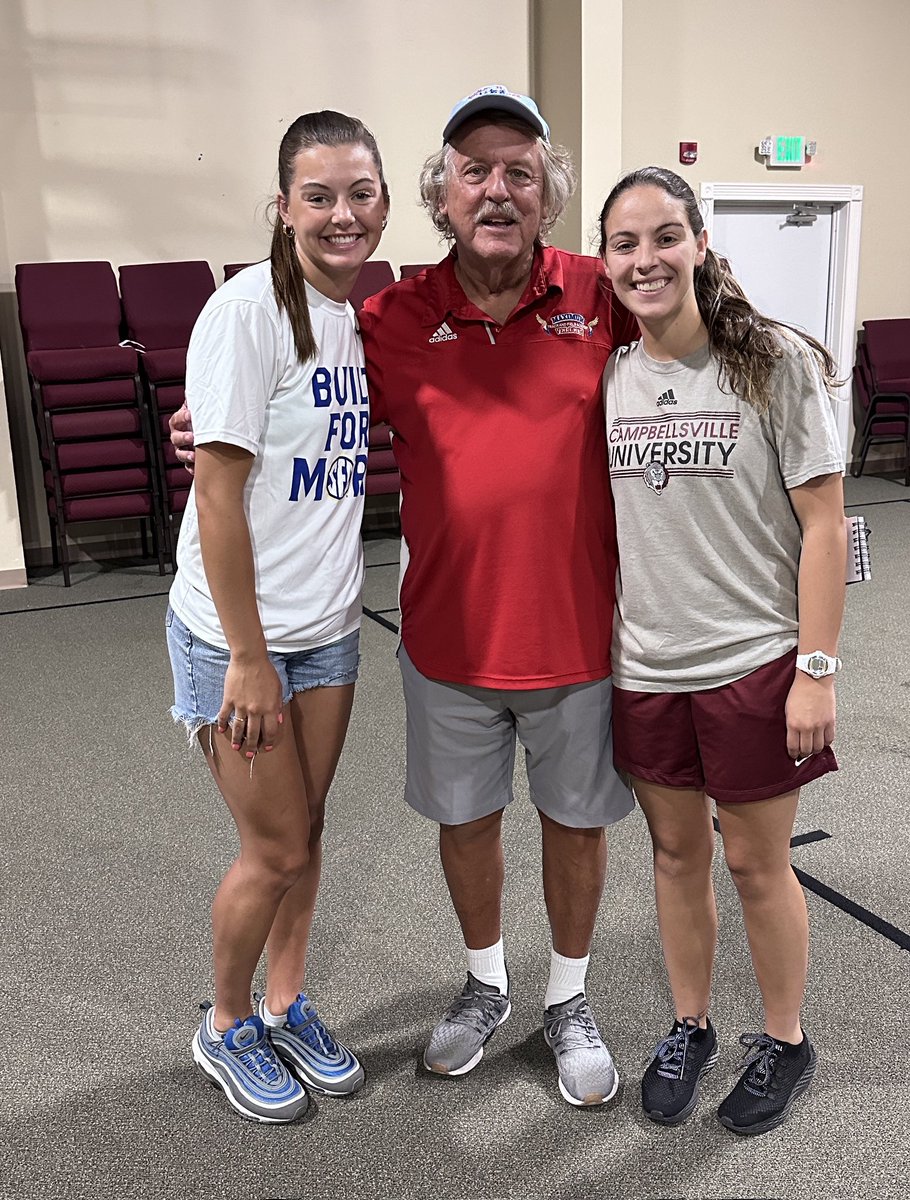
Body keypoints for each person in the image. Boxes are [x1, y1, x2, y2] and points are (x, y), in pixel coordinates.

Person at [172, 85, 636, 1108]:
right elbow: (244, 431)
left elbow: (702, 351)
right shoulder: (388, 314)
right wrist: (203, 429)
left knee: (566, 825)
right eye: (475, 170)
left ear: (549, 192)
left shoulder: (604, 295)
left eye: (520, 169)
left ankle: (565, 999)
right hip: (443, 642)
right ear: (439, 195)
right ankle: (477, 988)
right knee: (433, 829)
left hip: (568, 637)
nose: (497, 188)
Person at [598, 166, 847, 1134]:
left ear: (699, 242)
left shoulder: (771, 363)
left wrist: (815, 670)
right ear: (607, 262)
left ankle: (784, 1040)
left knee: (754, 865)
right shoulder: (610, 375)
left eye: (664, 236)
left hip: (752, 664)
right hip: (645, 667)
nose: (645, 258)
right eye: (625, 243)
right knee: (671, 855)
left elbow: (824, 528)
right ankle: (689, 1025)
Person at [166, 110, 389, 1124]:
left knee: (311, 827)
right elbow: (217, 497)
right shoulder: (246, 309)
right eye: (319, 195)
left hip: (328, 628)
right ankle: (223, 1024)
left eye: (360, 192)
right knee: (275, 850)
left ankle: (288, 1000)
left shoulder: (358, 315)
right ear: (282, 206)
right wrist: (248, 659)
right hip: (236, 638)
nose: (343, 214)